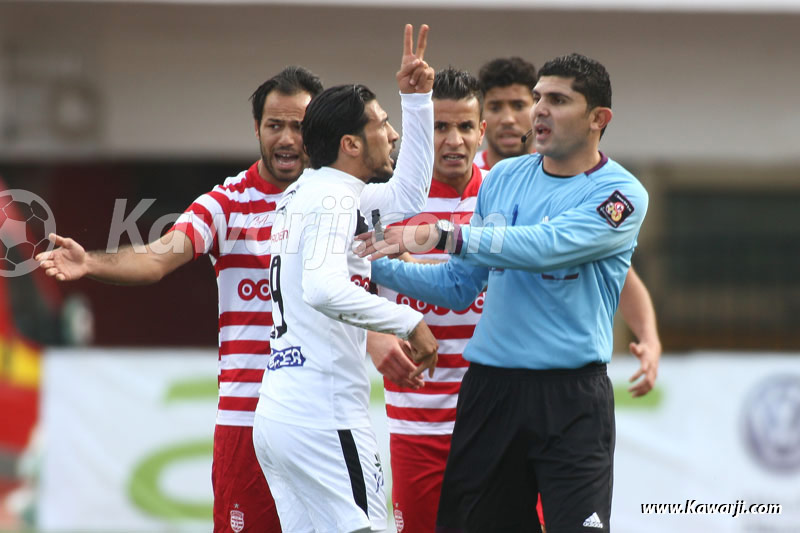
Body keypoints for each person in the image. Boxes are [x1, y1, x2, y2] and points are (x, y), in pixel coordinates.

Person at [34, 65, 417, 533]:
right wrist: (91, 262)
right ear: (256, 128)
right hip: (248, 415)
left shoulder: (344, 197)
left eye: (298, 126)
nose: (287, 139)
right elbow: (159, 258)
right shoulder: (227, 202)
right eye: (275, 125)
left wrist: (376, 330)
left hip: (318, 410)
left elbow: (358, 278)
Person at [359, 53, 650, 532]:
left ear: (599, 119)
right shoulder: (508, 178)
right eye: (538, 97)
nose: (538, 110)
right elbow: (457, 285)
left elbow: (547, 247)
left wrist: (445, 234)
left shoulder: (622, 195)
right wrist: (370, 263)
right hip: (490, 392)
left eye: (557, 100)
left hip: (572, 400)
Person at [251, 24, 438, 533]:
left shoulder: (312, 192)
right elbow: (323, 287)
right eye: (382, 123)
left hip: (282, 415)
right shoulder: (335, 198)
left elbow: (409, 198)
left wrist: (416, 101)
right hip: (323, 417)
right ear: (351, 143)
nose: (392, 132)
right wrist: (407, 320)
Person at [475, 57, 660, 394]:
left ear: (596, 118)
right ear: (480, 116)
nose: (509, 117)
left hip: (563, 384)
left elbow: (617, 275)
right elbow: (454, 280)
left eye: (519, 104)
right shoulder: (483, 180)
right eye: (495, 106)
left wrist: (648, 337)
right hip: (457, 372)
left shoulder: (612, 190)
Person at [373, 67, 486, 533]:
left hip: (497, 418)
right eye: (440, 126)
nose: (454, 140)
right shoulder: (389, 201)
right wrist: (372, 334)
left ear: (482, 131)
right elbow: (345, 283)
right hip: (417, 421)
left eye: (464, 127)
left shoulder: (509, 196)